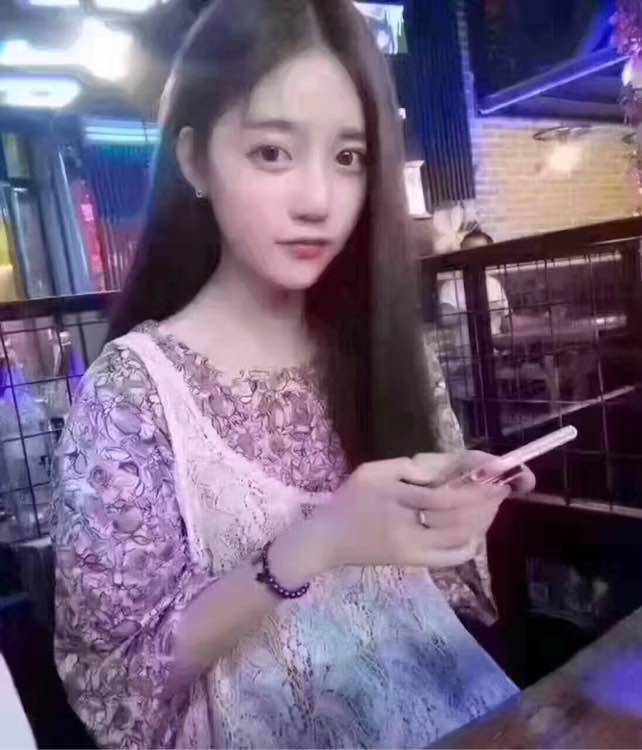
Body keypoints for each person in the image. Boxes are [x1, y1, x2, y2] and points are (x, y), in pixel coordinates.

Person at [51, 2, 535, 747]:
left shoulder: (388, 348)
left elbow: (447, 591)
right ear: (194, 161)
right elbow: (117, 677)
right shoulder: (134, 393)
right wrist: (318, 541)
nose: (318, 201)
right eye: (273, 152)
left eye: (349, 158)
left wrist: (455, 510)